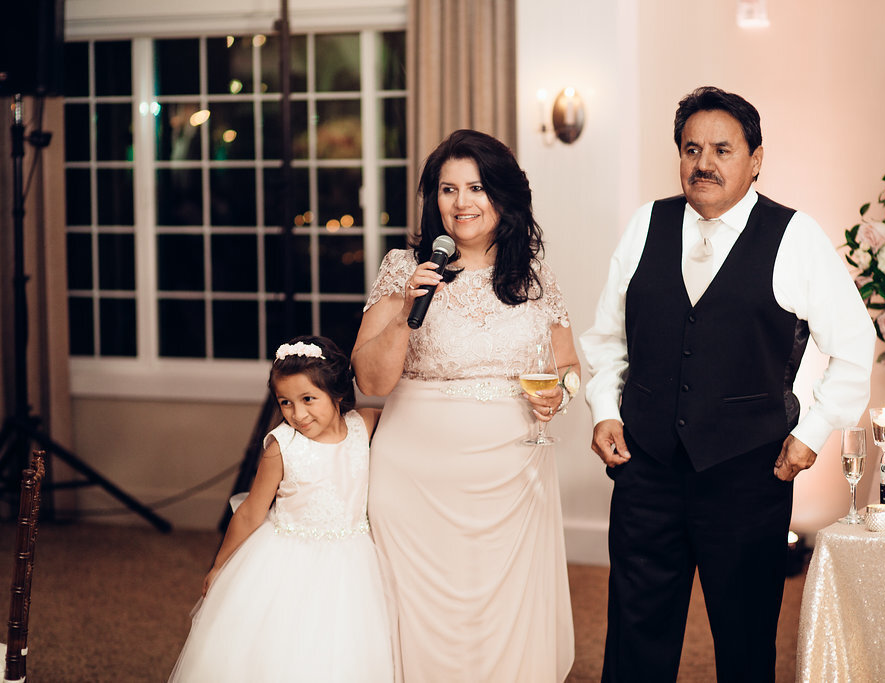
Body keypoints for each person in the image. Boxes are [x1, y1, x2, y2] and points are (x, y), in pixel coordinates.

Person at [579, 86, 875, 682]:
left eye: (721, 149)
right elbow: (606, 337)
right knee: (636, 638)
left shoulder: (795, 236)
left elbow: (855, 345)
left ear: (756, 158)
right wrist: (604, 410)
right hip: (647, 470)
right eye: (691, 149)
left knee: (744, 644)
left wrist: (811, 433)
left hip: (748, 476)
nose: (703, 163)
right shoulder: (647, 225)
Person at [352, 129, 579, 682]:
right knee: (416, 613)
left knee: (503, 615)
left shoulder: (535, 276)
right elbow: (371, 380)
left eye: (475, 188)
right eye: (447, 190)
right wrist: (408, 305)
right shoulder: (402, 269)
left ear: (502, 195)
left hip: (511, 474)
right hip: (414, 478)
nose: (461, 203)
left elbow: (570, 369)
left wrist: (561, 394)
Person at [168, 335, 395, 682]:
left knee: (345, 647)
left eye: (308, 399)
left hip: (352, 560)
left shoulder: (363, 424)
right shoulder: (282, 446)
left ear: (336, 392)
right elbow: (249, 513)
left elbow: (405, 419)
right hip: (287, 558)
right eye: (285, 402)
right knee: (282, 647)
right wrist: (220, 566)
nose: (298, 414)